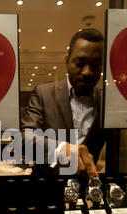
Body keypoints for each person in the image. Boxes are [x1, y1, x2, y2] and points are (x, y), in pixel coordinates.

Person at [21, 28, 105, 179]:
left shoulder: (106, 102)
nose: (87, 72)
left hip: (88, 188)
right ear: (67, 60)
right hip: (47, 187)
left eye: (95, 65)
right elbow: (26, 139)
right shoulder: (44, 93)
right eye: (79, 63)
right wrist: (61, 148)